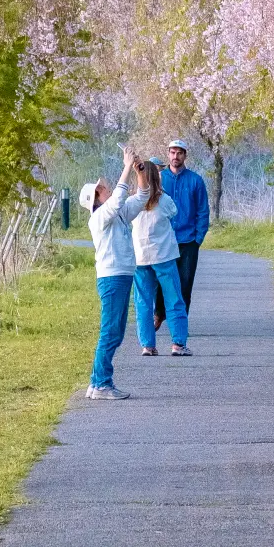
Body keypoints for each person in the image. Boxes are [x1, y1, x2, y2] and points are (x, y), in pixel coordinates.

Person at [79, 149, 150, 401]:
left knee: (116, 331)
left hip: (121, 275)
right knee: (110, 331)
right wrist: (127, 166)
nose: (106, 187)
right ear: (97, 199)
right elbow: (119, 197)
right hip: (111, 277)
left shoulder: (116, 213)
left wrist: (139, 171)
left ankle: (97, 382)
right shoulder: (99, 217)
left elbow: (142, 196)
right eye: (102, 188)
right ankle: (101, 384)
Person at [132, 161, 191, 357]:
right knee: (173, 298)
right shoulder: (164, 201)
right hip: (164, 256)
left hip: (140, 257)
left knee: (143, 301)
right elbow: (174, 212)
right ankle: (178, 343)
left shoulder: (133, 201)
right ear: (157, 178)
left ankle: (147, 345)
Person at [157, 139, 210, 327]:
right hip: (163, 239)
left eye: (179, 153)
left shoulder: (195, 180)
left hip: (188, 241)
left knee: (185, 284)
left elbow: (203, 211)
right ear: (168, 154)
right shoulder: (160, 178)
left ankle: (180, 322)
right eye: (172, 152)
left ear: (185, 155)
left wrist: (198, 238)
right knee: (161, 280)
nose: (175, 156)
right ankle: (159, 314)